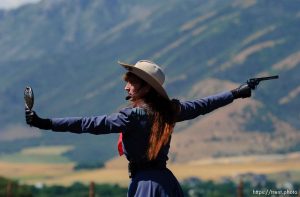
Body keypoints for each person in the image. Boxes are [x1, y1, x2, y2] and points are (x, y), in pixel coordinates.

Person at [25, 60, 251, 197]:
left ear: (145, 87)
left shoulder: (132, 117)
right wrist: (235, 93)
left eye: (131, 82)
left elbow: (88, 124)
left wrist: (45, 123)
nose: (126, 86)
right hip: (166, 183)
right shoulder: (171, 110)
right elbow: (204, 104)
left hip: (146, 186)